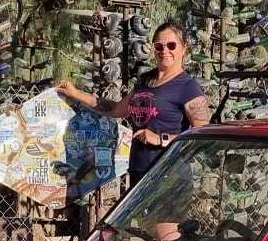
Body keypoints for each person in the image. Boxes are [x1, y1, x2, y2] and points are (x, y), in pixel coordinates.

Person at [57, 22, 210, 181]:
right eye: (159, 46)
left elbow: (202, 137)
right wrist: (75, 93)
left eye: (171, 45)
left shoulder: (188, 87)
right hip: (139, 172)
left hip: (169, 177)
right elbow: (115, 109)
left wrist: (161, 139)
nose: (165, 51)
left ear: (184, 48)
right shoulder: (145, 81)